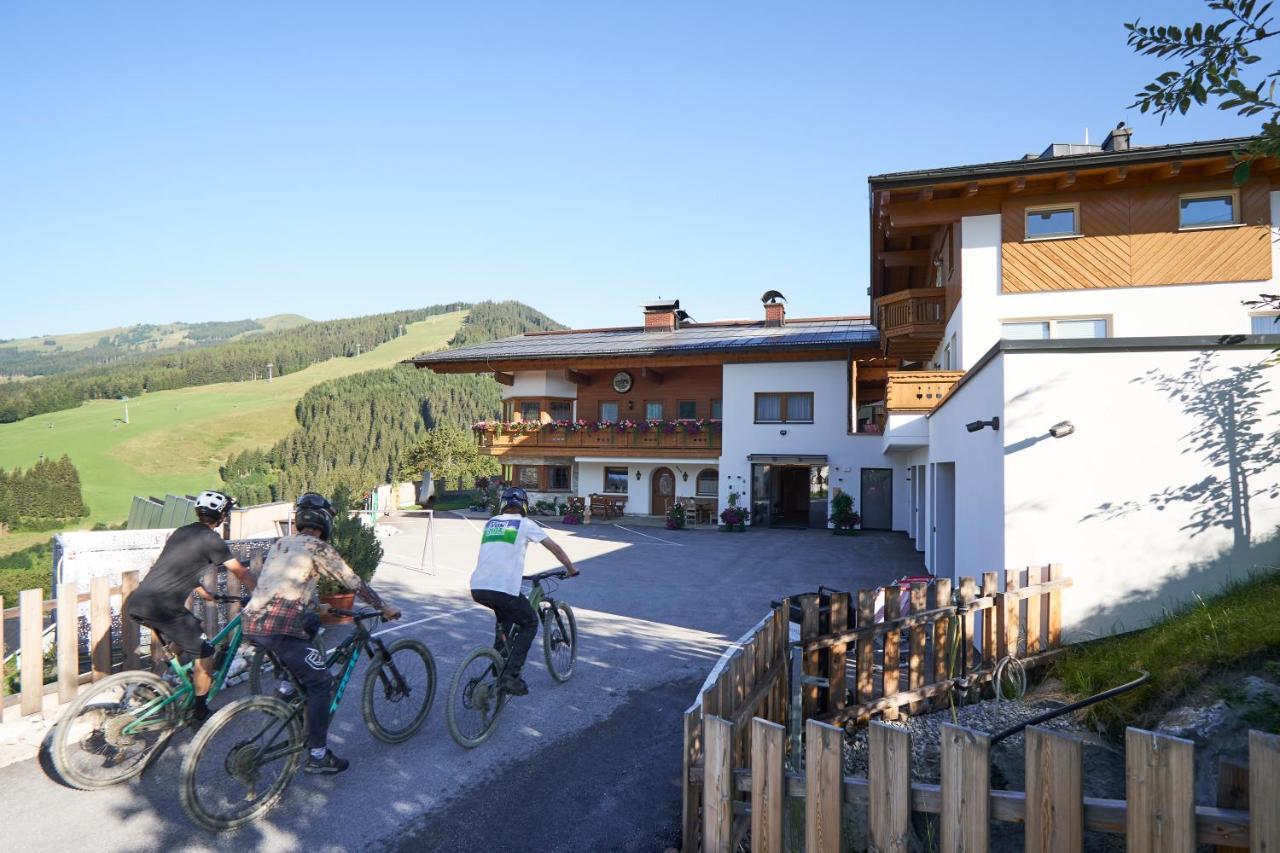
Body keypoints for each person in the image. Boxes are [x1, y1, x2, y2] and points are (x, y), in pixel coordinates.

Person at [241, 492, 401, 775]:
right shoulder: (318, 547)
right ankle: (317, 754)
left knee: (312, 622)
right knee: (321, 683)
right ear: (324, 521)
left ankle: (287, 686)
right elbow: (353, 582)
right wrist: (383, 605)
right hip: (283, 629)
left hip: (253, 623)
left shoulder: (281, 544)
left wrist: (315, 603)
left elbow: (281, 583)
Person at [125, 490, 257, 723]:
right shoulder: (211, 539)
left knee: (191, 628)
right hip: (163, 606)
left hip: (140, 601)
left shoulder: (181, 532)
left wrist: (203, 592)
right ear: (222, 515)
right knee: (205, 651)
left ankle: (156, 682)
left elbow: (176, 567)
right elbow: (240, 571)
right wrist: (261, 594)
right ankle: (199, 712)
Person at [470, 486, 578, 697]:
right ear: (524, 505)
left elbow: (499, 552)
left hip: (479, 587)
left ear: (503, 504)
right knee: (529, 622)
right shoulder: (526, 524)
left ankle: (497, 662)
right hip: (503, 588)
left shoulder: (490, 523)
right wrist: (571, 569)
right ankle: (511, 676)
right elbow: (555, 548)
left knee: (506, 619)